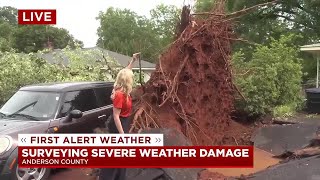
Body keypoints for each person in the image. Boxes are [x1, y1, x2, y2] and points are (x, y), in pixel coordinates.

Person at [99, 53, 139, 180]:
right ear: (127, 80)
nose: (132, 78)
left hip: (124, 121)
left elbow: (126, 71)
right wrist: (122, 135)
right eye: (131, 77)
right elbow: (116, 116)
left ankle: (120, 176)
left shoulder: (123, 89)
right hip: (118, 124)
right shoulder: (119, 94)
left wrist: (133, 60)